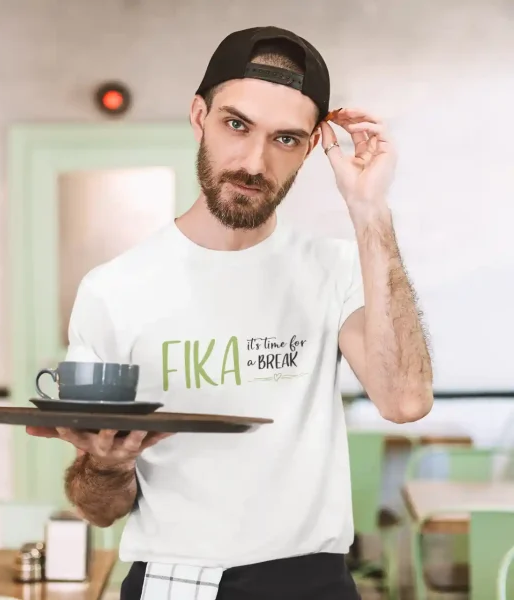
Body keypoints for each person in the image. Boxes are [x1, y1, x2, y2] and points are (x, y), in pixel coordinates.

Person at [27, 26, 433, 600]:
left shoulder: (336, 268)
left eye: (285, 139)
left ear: (315, 144)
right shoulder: (113, 290)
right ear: (199, 115)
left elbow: (406, 401)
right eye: (236, 125)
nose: (252, 161)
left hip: (310, 580)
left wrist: (369, 210)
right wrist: (108, 467)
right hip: (171, 582)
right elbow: (99, 510)